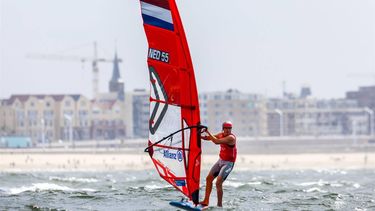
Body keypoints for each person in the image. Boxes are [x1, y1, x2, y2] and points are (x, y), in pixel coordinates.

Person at [200, 121, 237, 207]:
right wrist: (200, 136)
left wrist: (207, 131)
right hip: (220, 161)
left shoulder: (231, 138)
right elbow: (210, 138)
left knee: (218, 183)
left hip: (228, 163)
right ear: (223, 128)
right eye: (226, 128)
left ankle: (219, 205)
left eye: (229, 128)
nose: (228, 130)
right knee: (209, 179)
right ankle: (206, 201)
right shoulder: (221, 134)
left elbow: (216, 141)